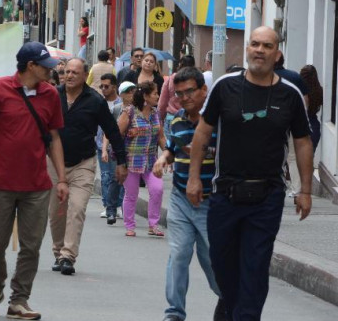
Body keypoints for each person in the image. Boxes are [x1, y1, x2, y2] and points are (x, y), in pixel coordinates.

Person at [187, 26, 313, 321]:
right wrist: (194, 178)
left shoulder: (290, 94)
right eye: (255, 44)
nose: (259, 50)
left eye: (267, 45)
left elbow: (303, 142)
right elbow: (203, 132)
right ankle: (229, 309)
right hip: (225, 195)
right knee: (222, 265)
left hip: (267, 198)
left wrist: (304, 190)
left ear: (276, 53)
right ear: (247, 50)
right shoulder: (225, 86)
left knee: (255, 268)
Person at [0, 42, 67, 320]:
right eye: (46, 66)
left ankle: (19, 299)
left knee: (31, 246)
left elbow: (53, 137)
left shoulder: (50, 94)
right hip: (2, 182)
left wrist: (62, 179)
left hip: (37, 185)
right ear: (31, 66)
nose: (52, 72)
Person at [152, 67, 225, 321]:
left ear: (204, 90)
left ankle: (228, 299)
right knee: (179, 253)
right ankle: (174, 312)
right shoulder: (177, 120)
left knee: (212, 261)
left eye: (190, 91)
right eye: (179, 94)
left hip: (210, 202)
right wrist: (163, 158)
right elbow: (172, 149)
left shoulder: (220, 122)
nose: (185, 98)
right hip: (181, 198)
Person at [49, 58, 127, 276]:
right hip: (54, 164)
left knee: (77, 207)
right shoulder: (53, 95)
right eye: (67, 72)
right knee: (56, 213)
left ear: (85, 76)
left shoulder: (95, 101)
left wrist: (121, 162)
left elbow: (112, 131)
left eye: (75, 72)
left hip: (83, 162)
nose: (70, 75)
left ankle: (68, 256)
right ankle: (58, 252)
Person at [118, 80, 166, 237]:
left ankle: (153, 224)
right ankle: (130, 225)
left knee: (157, 189)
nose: (158, 96)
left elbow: (161, 137)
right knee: (131, 194)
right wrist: (119, 160)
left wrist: (168, 153)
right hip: (131, 161)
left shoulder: (156, 114)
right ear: (145, 96)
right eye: (155, 93)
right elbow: (117, 136)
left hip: (152, 161)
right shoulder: (129, 112)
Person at [97, 73, 125, 223]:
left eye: (106, 86)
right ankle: (107, 205)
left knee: (117, 177)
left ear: (114, 86)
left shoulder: (121, 104)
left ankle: (117, 206)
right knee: (105, 176)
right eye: (101, 86)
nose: (103, 89)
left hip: (116, 147)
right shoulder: (98, 102)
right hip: (100, 144)